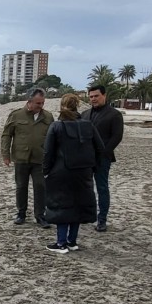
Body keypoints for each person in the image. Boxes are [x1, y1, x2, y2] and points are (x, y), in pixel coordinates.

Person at [43, 94, 105, 253]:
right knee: (78, 205)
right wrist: (93, 167)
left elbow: (48, 152)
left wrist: (45, 171)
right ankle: (72, 241)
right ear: (77, 105)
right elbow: (100, 148)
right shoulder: (88, 125)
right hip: (83, 172)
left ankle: (61, 243)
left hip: (61, 172)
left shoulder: (56, 126)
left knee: (62, 206)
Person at [0, 88, 55, 228]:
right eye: (38, 103)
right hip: (21, 158)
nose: (40, 106)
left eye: (42, 103)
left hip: (40, 159)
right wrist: (5, 154)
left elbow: (53, 138)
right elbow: (6, 135)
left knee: (40, 187)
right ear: (29, 102)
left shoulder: (48, 117)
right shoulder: (16, 115)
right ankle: (21, 213)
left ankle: (40, 216)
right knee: (21, 186)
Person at [81, 85, 124, 232]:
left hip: (102, 158)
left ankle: (102, 219)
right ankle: (86, 215)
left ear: (104, 96)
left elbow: (117, 136)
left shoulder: (114, 115)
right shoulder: (85, 114)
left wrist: (104, 152)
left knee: (102, 188)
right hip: (85, 158)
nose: (93, 99)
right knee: (84, 188)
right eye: (91, 96)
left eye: (96, 96)